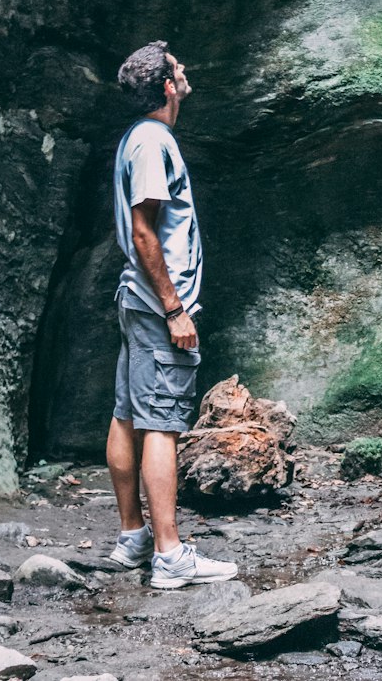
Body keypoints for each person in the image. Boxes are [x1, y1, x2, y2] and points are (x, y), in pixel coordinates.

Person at [105, 39, 237, 589]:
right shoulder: (153, 141)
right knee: (163, 424)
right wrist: (175, 309)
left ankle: (135, 536)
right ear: (165, 87)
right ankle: (169, 556)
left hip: (136, 300)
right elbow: (144, 233)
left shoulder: (141, 139)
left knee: (128, 415)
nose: (186, 75)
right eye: (178, 70)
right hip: (158, 305)